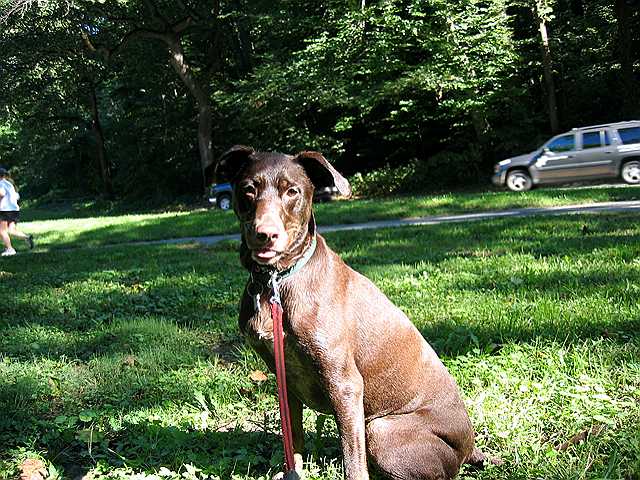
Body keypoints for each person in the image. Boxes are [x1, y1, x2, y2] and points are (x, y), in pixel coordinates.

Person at [0, 167, 34, 256]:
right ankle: (27, 237)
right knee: (11, 230)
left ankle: (10, 249)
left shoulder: (1, 184)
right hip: (14, 209)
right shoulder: (9, 184)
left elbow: (1, 194)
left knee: (2, 230)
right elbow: (16, 196)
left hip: (5, 209)